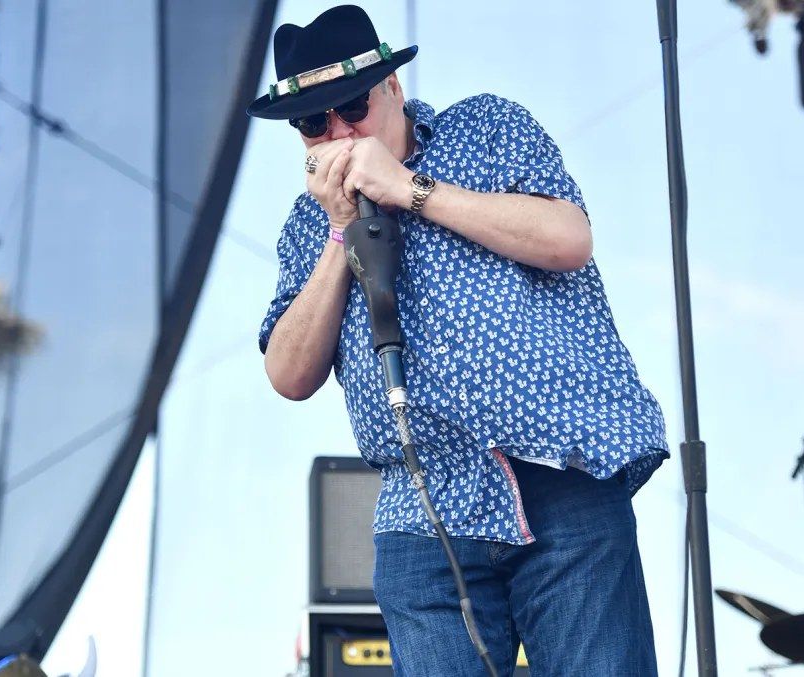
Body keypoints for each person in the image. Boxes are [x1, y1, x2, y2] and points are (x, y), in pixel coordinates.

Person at [248, 5, 670, 676]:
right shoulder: (307, 223)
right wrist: (338, 231)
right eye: (311, 121)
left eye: (350, 107)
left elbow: (568, 238)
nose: (337, 132)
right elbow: (289, 372)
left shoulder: (486, 127)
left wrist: (408, 188)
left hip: (559, 474)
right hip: (425, 508)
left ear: (391, 87)